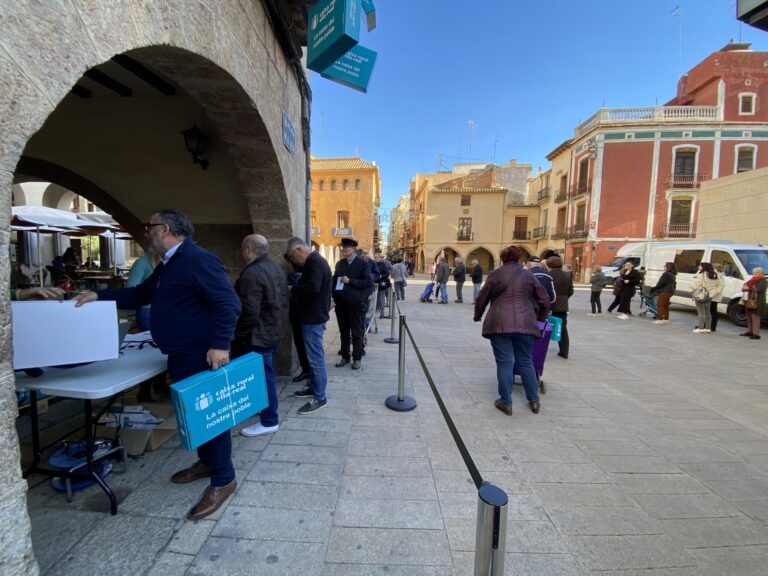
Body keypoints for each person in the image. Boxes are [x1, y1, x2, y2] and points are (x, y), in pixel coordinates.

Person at [74, 209, 241, 521]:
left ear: (164, 229)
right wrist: (98, 294)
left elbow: (228, 302)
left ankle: (224, 479)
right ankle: (208, 463)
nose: (146, 232)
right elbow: (140, 294)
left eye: (149, 226)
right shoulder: (169, 263)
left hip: (200, 354)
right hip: (180, 353)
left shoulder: (197, 259)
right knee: (195, 416)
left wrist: (220, 344)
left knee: (211, 417)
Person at [474, 245, 550, 416]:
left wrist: (478, 315)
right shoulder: (528, 275)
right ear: (518, 258)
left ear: (502, 258)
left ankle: (506, 402)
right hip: (525, 324)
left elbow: (482, 298)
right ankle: (534, 400)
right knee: (526, 361)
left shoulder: (495, 275)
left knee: (505, 362)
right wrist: (539, 319)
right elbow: (544, 300)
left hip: (499, 324)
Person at [234, 234, 288, 437]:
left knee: (263, 377)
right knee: (264, 375)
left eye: (242, 250)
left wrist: (239, 334)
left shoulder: (253, 272)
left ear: (249, 249)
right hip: (271, 330)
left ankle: (269, 420)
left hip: (259, 334)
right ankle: (263, 409)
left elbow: (249, 310)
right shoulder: (274, 267)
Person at [285, 237, 332, 414]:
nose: (293, 261)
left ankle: (320, 397)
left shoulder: (315, 263)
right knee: (313, 357)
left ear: (299, 250)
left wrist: (293, 289)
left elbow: (312, 288)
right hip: (311, 316)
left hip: (314, 318)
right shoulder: (313, 262)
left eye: (292, 256)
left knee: (315, 358)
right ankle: (313, 388)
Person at [331, 238, 372, 370]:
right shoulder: (340, 264)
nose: (344, 250)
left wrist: (350, 281)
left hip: (356, 304)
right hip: (341, 304)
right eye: (343, 248)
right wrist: (334, 296)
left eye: (346, 248)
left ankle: (357, 358)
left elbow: (368, 283)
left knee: (356, 332)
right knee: (343, 332)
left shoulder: (362, 264)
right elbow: (334, 281)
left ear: (354, 249)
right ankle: (345, 356)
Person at [126, 247, 160, 331]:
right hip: (148, 310)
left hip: (167, 310)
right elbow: (130, 288)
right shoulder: (142, 263)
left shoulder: (171, 262)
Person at [547, 256, 573, 358]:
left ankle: (541, 348)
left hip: (550, 304)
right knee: (562, 328)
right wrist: (564, 298)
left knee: (544, 327)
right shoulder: (567, 275)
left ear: (549, 265)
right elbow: (571, 290)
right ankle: (564, 351)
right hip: (562, 305)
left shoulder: (549, 275)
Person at [691, 262, 724, 334]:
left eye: (700, 266)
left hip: (702, 295)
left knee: (701, 312)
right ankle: (708, 328)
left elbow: (695, 285)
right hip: (710, 296)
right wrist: (713, 293)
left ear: (704, 267)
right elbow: (721, 285)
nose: (699, 267)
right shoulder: (715, 275)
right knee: (708, 312)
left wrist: (692, 289)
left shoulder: (702, 275)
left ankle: (701, 327)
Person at [741, 267, 766, 340]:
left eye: (756, 272)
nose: (754, 274)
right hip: (749, 301)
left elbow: (759, 289)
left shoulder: (763, 280)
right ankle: (750, 331)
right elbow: (745, 285)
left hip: (757, 301)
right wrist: (744, 288)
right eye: (754, 272)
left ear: (760, 273)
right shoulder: (752, 280)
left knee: (755, 317)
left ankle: (756, 334)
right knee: (749, 316)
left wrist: (748, 288)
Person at [375, 253, 392, 318]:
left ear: (380, 258)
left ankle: (382, 313)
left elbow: (387, 273)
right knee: (375, 298)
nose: (376, 258)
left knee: (381, 298)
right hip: (374, 284)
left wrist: (381, 276)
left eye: (377, 257)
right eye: (375, 257)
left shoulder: (382, 264)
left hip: (381, 284)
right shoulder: (373, 264)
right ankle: (375, 311)